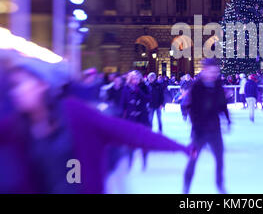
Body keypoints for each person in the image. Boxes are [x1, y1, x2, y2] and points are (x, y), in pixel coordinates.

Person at [0, 57, 188, 193]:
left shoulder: (73, 114)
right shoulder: (17, 127)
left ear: (42, 84)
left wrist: (179, 147)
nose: (15, 92)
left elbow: (128, 132)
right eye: (13, 86)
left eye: (21, 84)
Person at [182, 58, 231, 194]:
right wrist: (196, 126)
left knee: (220, 159)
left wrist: (227, 118)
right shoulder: (197, 87)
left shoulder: (217, 85)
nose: (213, 74)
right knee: (193, 159)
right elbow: (191, 109)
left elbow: (222, 105)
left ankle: (219, 184)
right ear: (204, 70)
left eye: (216, 71)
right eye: (210, 71)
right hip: (199, 131)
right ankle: (186, 186)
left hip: (215, 129)